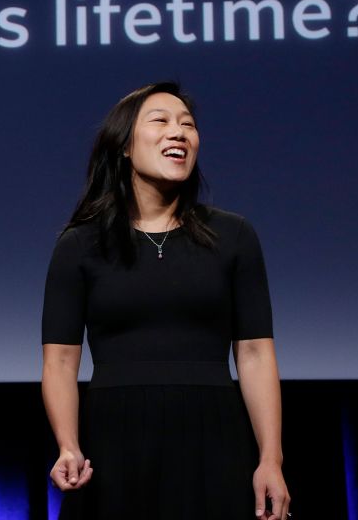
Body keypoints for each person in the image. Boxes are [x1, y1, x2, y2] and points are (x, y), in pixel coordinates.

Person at [41, 82, 291, 520]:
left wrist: (271, 459)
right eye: (160, 121)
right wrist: (68, 444)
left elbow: (254, 354)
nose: (179, 133)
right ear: (123, 145)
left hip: (213, 433)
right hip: (113, 437)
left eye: (188, 125)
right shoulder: (80, 244)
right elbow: (60, 361)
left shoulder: (234, 237)